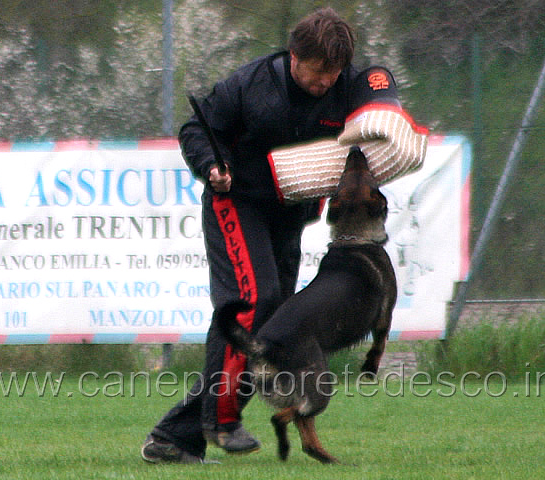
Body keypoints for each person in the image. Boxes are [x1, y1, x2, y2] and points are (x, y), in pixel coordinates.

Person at [141, 7, 399, 464]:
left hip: (289, 213)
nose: (324, 84)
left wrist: (388, 114)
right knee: (251, 300)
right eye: (317, 74)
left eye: (333, 75)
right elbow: (196, 129)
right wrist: (210, 166)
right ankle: (221, 421)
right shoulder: (250, 85)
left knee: (273, 327)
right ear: (294, 56)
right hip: (236, 201)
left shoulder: (348, 84)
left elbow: (382, 89)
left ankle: (174, 438)